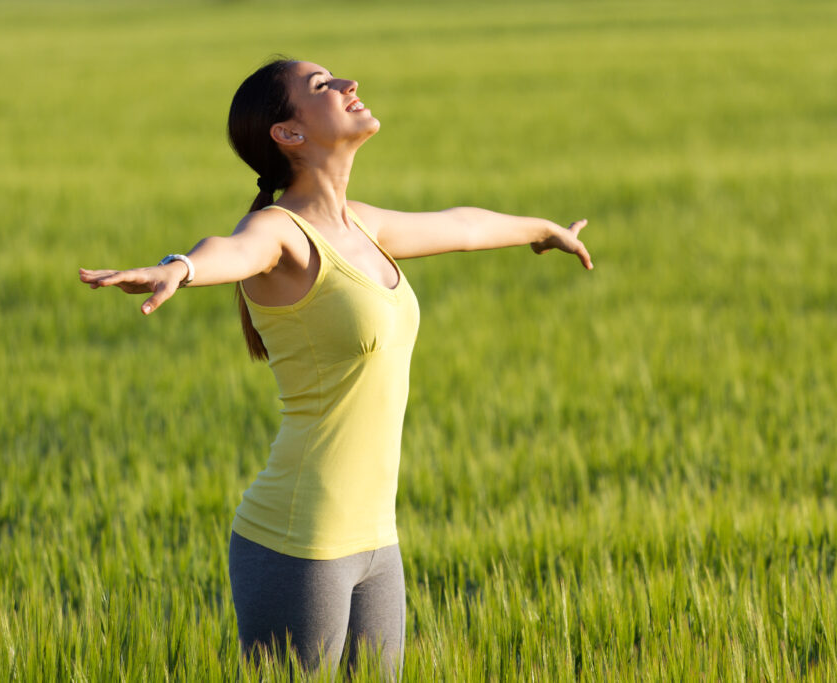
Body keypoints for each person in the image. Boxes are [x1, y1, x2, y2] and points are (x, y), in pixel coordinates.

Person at [79, 58, 592, 678]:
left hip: (378, 541)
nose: (350, 85)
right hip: (298, 540)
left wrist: (545, 230)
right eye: (323, 86)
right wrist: (178, 268)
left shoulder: (363, 227)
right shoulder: (282, 233)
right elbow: (231, 250)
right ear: (288, 134)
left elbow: (463, 226)